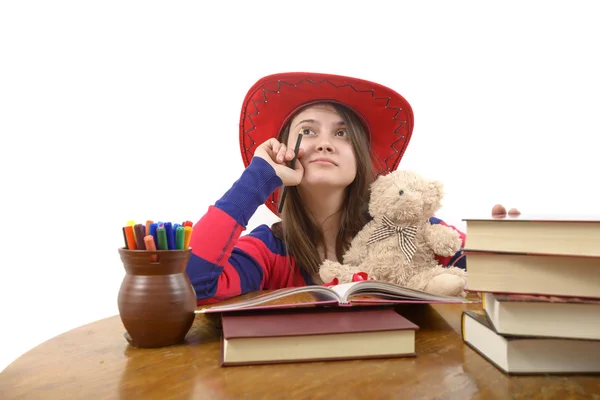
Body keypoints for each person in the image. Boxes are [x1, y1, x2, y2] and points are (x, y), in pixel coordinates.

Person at [186, 72, 466, 305]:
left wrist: (505, 238)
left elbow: (493, 274)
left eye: (341, 133)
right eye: (307, 131)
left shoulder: (408, 228)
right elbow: (193, 284)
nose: (324, 144)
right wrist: (258, 178)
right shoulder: (268, 250)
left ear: (360, 157)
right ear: (284, 151)